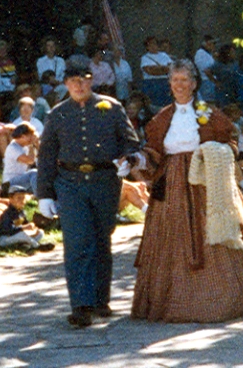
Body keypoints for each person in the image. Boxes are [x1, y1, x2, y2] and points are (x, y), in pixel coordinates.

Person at [130, 59, 243, 323]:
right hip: (173, 186)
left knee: (216, 233)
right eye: (174, 80)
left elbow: (231, 141)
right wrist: (135, 161)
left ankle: (225, 300)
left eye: (184, 80)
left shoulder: (209, 113)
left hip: (208, 182)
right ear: (169, 84)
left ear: (194, 83)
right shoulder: (161, 119)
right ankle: (175, 302)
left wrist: (218, 151)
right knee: (172, 240)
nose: (179, 85)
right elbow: (153, 153)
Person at [37, 62, 140, 328]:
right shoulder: (58, 114)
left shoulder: (111, 107)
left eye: (83, 79)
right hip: (70, 182)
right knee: (78, 240)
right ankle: (81, 305)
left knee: (101, 237)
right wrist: (44, 193)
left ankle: (99, 299)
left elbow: (130, 141)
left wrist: (128, 159)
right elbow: (47, 155)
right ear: (66, 84)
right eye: (72, 80)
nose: (78, 85)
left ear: (91, 80)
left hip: (104, 180)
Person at [0, 185, 55, 251]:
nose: (22, 200)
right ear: (11, 199)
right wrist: (23, 227)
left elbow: (25, 224)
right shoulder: (7, 214)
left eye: (23, 198)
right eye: (19, 198)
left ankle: (25, 245)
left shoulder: (22, 212)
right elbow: (6, 230)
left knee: (40, 232)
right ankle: (37, 246)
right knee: (22, 235)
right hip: (5, 238)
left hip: (17, 236)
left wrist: (32, 227)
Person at [2, 122, 39, 194]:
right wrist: (32, 145)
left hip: (22, 180)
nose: (32, 138)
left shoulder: (25, 145)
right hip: (9, 183)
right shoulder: (13, 148)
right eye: (30, 136)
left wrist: (37, 144)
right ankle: (41, 199)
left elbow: (43, 156)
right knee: (34, 173)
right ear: (23, 136)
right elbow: (30, 161)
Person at [140, 36, 173, 107]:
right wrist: (162, 69)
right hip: (151, 84)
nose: (153, 46)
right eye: (150, 45)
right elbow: (149, 71)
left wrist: (158, 69)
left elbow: (170, 68)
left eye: (154, 44)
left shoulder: (164, 56)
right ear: (147, 47)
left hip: (164, 83)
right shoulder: (145, 58)